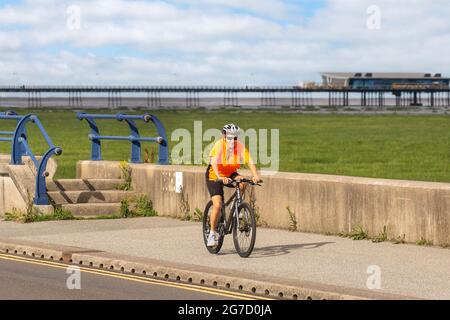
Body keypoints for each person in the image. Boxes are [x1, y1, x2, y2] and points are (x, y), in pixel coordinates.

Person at [205, 124, 260, 247]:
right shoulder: (219, 145)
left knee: (244, 181)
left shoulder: (239, 146)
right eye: (229, 137)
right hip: (214, 176)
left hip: (230, 173)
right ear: (224, 136)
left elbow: (249, 160)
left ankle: (237, 206)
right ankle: (212, 233)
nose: (232, 140)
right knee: (218, 205)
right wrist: (220, 177)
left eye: (235, 138)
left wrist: (255, 175)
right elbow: (213, 162)